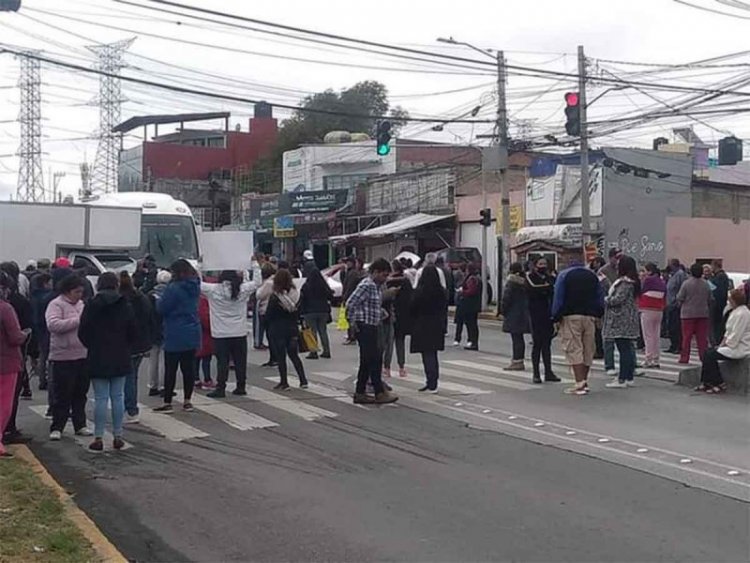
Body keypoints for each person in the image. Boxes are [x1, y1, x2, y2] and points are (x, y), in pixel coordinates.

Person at [78, 273, 136, 452]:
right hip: (120, 354)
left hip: (98, 354)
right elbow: (132, 330)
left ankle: (98, 436)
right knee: (117, 396)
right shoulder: (125, 304)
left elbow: (83, 331)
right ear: (116, 285)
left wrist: (93, 345)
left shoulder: (91, 305)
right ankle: (118, 435)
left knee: (101, 398)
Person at [346, 258, 398, 405]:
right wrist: (352, 323)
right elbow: (351, 303)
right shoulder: (367, 285)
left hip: (372, 325)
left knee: (370, 360)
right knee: (372, 360)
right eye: (383, 275)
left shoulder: (375, 286)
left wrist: (382, 313)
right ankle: (377, 392)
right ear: (375, 272)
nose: (385, 278)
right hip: (365, 326)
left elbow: (369, 305)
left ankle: (362, 392)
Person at [46, 274, 91, 440]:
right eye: (76, 291)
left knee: (80, 393)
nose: (79, 295)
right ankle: (57, 426)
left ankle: (80, 424)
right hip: (62, 356)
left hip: (82, 354)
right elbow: (53, 325)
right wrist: (77, 320)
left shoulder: (82, 304)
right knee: (62, 394)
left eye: (81, 292)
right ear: (67, 291)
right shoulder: (56, 304)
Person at [552, 260, 605, 395]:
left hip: (571, 315)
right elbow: (600, 295)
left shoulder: (564, 275)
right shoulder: (592, 275)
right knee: (588, 348)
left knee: (574, 348)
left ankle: (579, 383)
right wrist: (599, 313)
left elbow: (558, 297)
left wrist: (555, 316)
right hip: (590, 316)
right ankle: (584, 380)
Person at [154, 259, 201, 413]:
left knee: (171, 369)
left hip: (174, 331)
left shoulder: (173, 288)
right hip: (192, 330)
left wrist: (157, 300)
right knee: (189, 369)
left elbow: (162, 308)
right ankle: (187, 401)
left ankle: (167, 401)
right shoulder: (195, 285)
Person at [202, 270, 257, 398]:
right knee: (240, 361)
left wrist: (200, 265)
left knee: (222, 362)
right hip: (239, 331)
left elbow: (197, 283)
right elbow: (257, 282)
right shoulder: (243, 289)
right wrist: (251, 265)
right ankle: (241, 386)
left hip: (220, 333)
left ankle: (221, 387)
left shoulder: (213, 289)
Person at [695, 289, 750, 393]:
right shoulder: (737, 312)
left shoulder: (743, 314)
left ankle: (718, 382)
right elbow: (728, 332)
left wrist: (725, 345)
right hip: (733, 344)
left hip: (740, 347)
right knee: (707, 352)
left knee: (710, 355)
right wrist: (721, 345)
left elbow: (736, 334)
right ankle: (706, 381)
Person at [0, 272, 31, 458]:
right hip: (6, 363)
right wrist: (25, 333)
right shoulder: (5, 309)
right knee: (3, 404)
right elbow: (14, 337)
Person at [118, 271, 155, 424]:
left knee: (125, 378)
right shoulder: (142, 298)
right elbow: (150, 319)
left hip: (124, 343)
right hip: (140, 343)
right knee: (132, 376)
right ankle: (131, 409)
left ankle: (129, 408)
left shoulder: (119, 301)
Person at [602, 256, 642, 389]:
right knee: (627, 348)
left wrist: (605, 299)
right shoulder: (632, 282)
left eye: (619, 265)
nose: (617, 267)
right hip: (627, 318)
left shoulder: (625, 283)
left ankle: (622, 378)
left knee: (624, 349)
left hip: (621, 319)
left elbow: (618, 299)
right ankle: (628, 377)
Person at [265, 268, 308, 391]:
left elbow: (269, 314)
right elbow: (301, 311)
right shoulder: (298, 295)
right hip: (292, 327)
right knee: (294, 355)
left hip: (277, 328)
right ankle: (303, 380)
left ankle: (284, 382)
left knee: (281, 356)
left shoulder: (275, 297)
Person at [409, 265, 447, 393]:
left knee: (427, 355)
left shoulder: (420, 291)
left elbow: (413, 307)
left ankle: (430, 382)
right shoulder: (441, 291)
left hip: (422, 324)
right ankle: (432, 381)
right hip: (436, 325)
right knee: (433, 354)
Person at [526, 258, 560, 384]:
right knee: (537, 344)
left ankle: (548, 372)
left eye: (545, 264)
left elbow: (554, 289)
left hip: (548, 314)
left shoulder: (549, 277)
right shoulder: (530, 277)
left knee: (547, 345)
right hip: (535, 315)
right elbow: (534, 289)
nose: (543, 266)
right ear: (535, 266)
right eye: (540, 264)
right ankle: (536, 373)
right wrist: (547, 288)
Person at [677, 263, 713, 364]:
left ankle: (684, 357)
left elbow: (680, 297)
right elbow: (710, 298)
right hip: (703, 313)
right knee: (702, 338)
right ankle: (704, 357)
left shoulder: (686, 283)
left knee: (687, 337)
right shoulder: (706, 284)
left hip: (688, 314)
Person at [501, 262, 531, 371]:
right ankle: (519, 360)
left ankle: (517, 361)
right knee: (520, 338)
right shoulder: (526, 282)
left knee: (516, 338)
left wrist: (503, 311)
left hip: (513, 313)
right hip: (524, 313)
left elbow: (506, 299)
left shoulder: (511, 282)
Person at [300, 267, 334, 360]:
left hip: (310, 311)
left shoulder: (306, 286)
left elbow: (302, 299)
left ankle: (313, 352)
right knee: (323, 331)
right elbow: (331, 295)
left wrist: (301, 312)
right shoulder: (323, 285)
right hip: (323, 311)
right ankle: (326, 351)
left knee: (312, 332)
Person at [387, 260, 414, 378]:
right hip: (403, 316)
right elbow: (411, 299)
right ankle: (402, 367)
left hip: (390, 314)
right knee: (400, 342)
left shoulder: (388, 282)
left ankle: (386, 368)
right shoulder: (406, 281)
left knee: (388, 343)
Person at [146, 270, 171, 397]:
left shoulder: (150, 295)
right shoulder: (169, 294)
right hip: (165, 328)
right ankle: (163, 386)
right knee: (163, 360)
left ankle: (152, 385)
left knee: (153, 359)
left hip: (152, 329)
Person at [638, 263, 667, 369]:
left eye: (644, 270)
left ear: (649, 271)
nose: (642, 273)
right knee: (656, 335)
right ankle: (656, 359)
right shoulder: (661, 281)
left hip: (647, 308)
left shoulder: (648, 280)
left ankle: (648, 359)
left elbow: (640, 290)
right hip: (659, 310)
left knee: (648, 335)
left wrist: (642, 279)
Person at [255, 264, 278, 367]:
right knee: (272, 335)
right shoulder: (275, 281)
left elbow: (259, 295)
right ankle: (274, 357)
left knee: (270, 336)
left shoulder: (268, 283)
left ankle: (274, 358)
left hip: (266, 310)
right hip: (273, 311)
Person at [665, 259, 688, 354]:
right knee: (671, 327)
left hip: (675, 305)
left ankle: (678, 346)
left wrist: (678, 301)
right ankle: (673, 345)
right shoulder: (673, 274)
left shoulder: (680, 274)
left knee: (676, 327)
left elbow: (682, 288)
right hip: (670, 304)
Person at [341, 257, 366, 345]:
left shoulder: (353, 273)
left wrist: (345, 297)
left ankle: (352, 337)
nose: (347, 264)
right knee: (349, 318)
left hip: (350, 297)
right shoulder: (350, 272)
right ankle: (351, 336)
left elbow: (349, 286)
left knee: (350, 317)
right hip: (349, 296)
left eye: (348, 262)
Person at [459, 263, 482, 351]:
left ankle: (473, 342)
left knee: (471, 324)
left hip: (470, 305)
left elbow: (471, 291)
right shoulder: (477, 278)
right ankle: (473, 342)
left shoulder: (472, 279)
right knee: (472, 324)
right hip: (474, 305)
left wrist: (462, 291)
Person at [195, 294, 215, 390]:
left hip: (194, 332)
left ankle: (196, 379)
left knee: (196, 359)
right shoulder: (202, 300)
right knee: (206, 359)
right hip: (204, 335)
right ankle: (207, 379)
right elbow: (205, 317)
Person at [710, 259, 731, 346]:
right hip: (719, 305)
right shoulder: (720, 276)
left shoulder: (720, 276)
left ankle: (717, 342)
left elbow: (717, 291)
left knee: (716, 326)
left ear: (715, 266)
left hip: (717, 305)